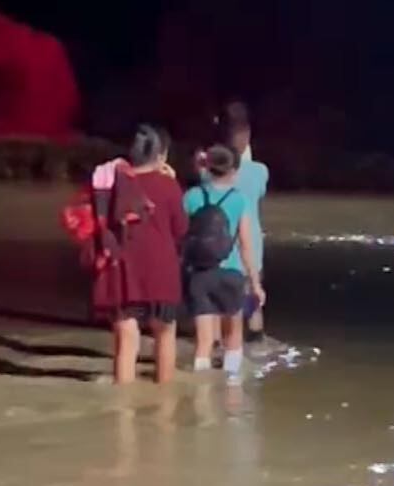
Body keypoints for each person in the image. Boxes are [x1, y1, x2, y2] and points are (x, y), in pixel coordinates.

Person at [90, 125, 187, 384]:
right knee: (165, 335)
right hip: (160, 272)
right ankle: (165, 408)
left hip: (123, 273)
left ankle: (124, 413)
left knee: (126, 342)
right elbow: (181, 229)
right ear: (162, 155)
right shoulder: (168, 186)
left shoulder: (113, 184)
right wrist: (173, 181)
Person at [182, 145, 265, 374]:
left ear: (207, 166)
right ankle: (232, 388)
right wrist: (255, 284)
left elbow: (180, 236)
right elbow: (246, 245)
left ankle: (201, 395)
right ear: (233, 170)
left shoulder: (192, 196)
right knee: (233, 335)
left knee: (204, 340)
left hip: (199, 274)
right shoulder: (239, 200)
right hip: (231, 273)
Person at [219, 103, 270, 340]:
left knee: (222, 313)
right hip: (251, 253)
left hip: (219, 253)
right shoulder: (259, 171)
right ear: (247, 136)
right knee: (253, 307)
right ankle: (256, 350)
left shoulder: (209, 172)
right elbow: (258, 196)